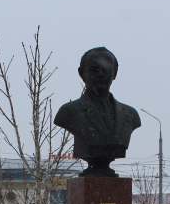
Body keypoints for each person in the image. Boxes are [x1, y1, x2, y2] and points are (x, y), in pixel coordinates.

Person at [53, 47, 141, 177]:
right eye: (94, 69)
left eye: (106, 70)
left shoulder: (130, 114)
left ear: (115, 73)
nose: (100, 74)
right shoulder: (69, 112)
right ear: (82, 74)